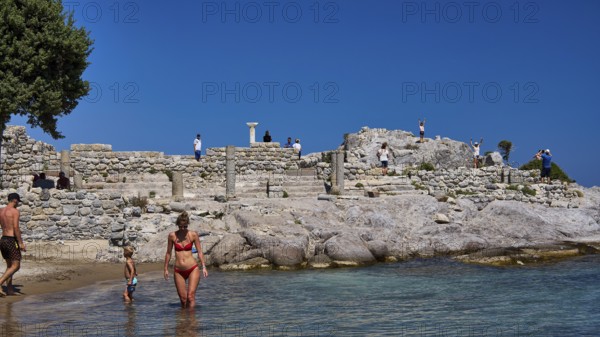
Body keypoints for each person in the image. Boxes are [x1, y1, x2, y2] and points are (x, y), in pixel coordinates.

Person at [164, 211, 208, 308]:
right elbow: (168, 253)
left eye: (185, 227)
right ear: (177, 225)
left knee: (191, 297)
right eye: (180, 227)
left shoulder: (193, 235)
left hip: (192, 268)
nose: (183, 229)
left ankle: (191, 321)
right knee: (183, 300)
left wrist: (204, 267)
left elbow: (200, 252)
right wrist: (166, 269)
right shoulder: (172, 236)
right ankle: (183, 321)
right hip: (178, 271)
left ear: (187, 225)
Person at [0, 193, 26, 297]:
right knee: (16, 265)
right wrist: (20, 243)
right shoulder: (15, 211)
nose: (18, 204)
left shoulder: (1, 211)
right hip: (11, 240)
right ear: (15, 200)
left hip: (3, 240)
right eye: (18, 202)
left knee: (9, 266)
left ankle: (9, 289)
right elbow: (16, 228)